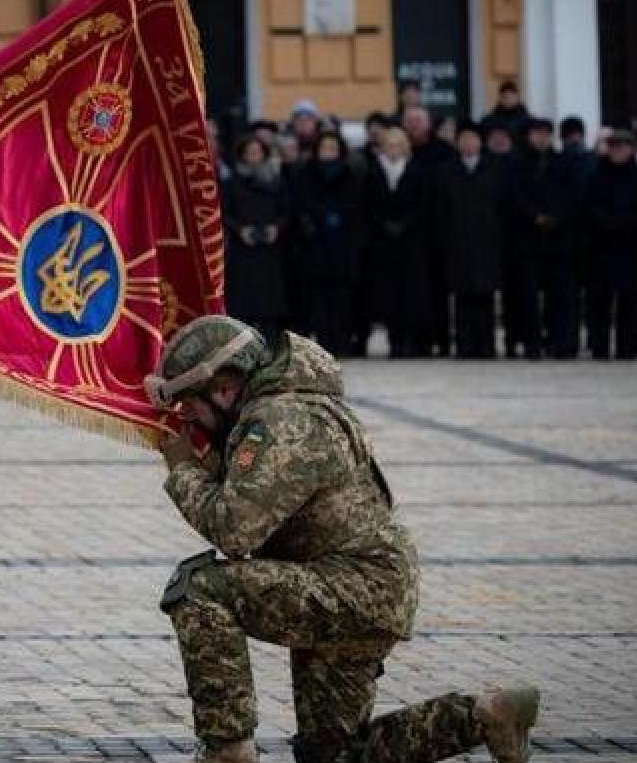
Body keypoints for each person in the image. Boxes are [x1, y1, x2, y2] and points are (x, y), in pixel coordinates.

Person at [146, 315, 541, 763]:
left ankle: (227, 748)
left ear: (223, 386)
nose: (188, 417)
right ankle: (486, 716)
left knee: (197, 590)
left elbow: (234, 529)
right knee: (332, 755)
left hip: (354, 588)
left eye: (189, 404)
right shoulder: (284, 408)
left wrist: (182, 470)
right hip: (362, 586)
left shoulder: (281, 420)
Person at [508, 118, 577, 359]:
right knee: (528, 296)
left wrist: (554, 216)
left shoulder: (563, 163)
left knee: (560, 294)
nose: (542, 138)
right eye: (537, 133)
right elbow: (514, 197)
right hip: (527, 238)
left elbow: (571, 196)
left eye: (546, 134)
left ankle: (561, 343)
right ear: (529, 136)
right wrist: (533, 216)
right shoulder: (517, 164)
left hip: (558, 238)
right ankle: (532, 344)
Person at [293, 131, 366, 357]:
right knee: (318, 299)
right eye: (324, 148)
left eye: (332, 148)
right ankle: (322, 345)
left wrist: (341, 221)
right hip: (315, 246)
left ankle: (341, 343)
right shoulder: (306, 174)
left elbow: (358, 209)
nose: (328, 153)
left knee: (342, 300)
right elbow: (300, 205)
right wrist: (313, 222)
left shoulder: (351, 175)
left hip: (342, 246)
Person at [437, 121, 505, 358]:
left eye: (472, 139)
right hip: (458, 244)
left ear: (480, 142)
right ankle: (464, 345)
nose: (468, 143)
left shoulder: (493, 169)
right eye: (463, 139)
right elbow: (441, 211)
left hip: (487, 244)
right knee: (462, 298)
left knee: (485, 297)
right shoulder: (447, 171)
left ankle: (487, 345)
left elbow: (502, 208)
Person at [585, 131, 637, 360]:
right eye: (613, 147)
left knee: (629, 300)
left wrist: (626, 224)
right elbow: (588, 206)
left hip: (631, 246)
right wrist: (606, 223)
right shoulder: (596, 176)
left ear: (631, 149)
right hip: (601, 246)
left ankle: (628, 347)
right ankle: (600, 347)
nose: (617, 151)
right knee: (600, 300)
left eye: (622, 147)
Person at [366, 128, 429, 358]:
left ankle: (410, 341)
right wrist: (385, 224)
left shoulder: (417, 172)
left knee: (410, 295)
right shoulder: (374, 173)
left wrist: (405, 224)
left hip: (411, 243)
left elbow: (423, 205)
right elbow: (369, 206)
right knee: (389, 295)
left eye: (398, 144)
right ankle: (395, 340)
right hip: (384, 244)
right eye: (389, 145)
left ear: (406, 147)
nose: (394, 149)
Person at [223, 136, 289, 344]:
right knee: (244, 303)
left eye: (258, 152)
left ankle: (270, 342)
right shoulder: (232, 182)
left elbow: (286, 210)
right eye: (250, 152)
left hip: (270, 250)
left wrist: (276, 228)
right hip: (243, 249)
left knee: (269, 303)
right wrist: (240, 230)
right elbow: (225, 212)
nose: (254, 156)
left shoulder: (276, 181)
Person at [402, 106, 456, 356]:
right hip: (410, 236)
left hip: (439, 232)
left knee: (439, 291)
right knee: (414, 292)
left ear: (428, 124)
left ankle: (443, 341)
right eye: (409, 121)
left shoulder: (444, 152)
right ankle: (417, 342)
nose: (414, 125)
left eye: (418, 121)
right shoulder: (402, 152)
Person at [480, 80, 530, 145]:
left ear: (517, 97)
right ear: (500, 98)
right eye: (505, 97)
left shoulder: (527, 121)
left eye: (511, 96)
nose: (508, 99)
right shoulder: (488, 121)